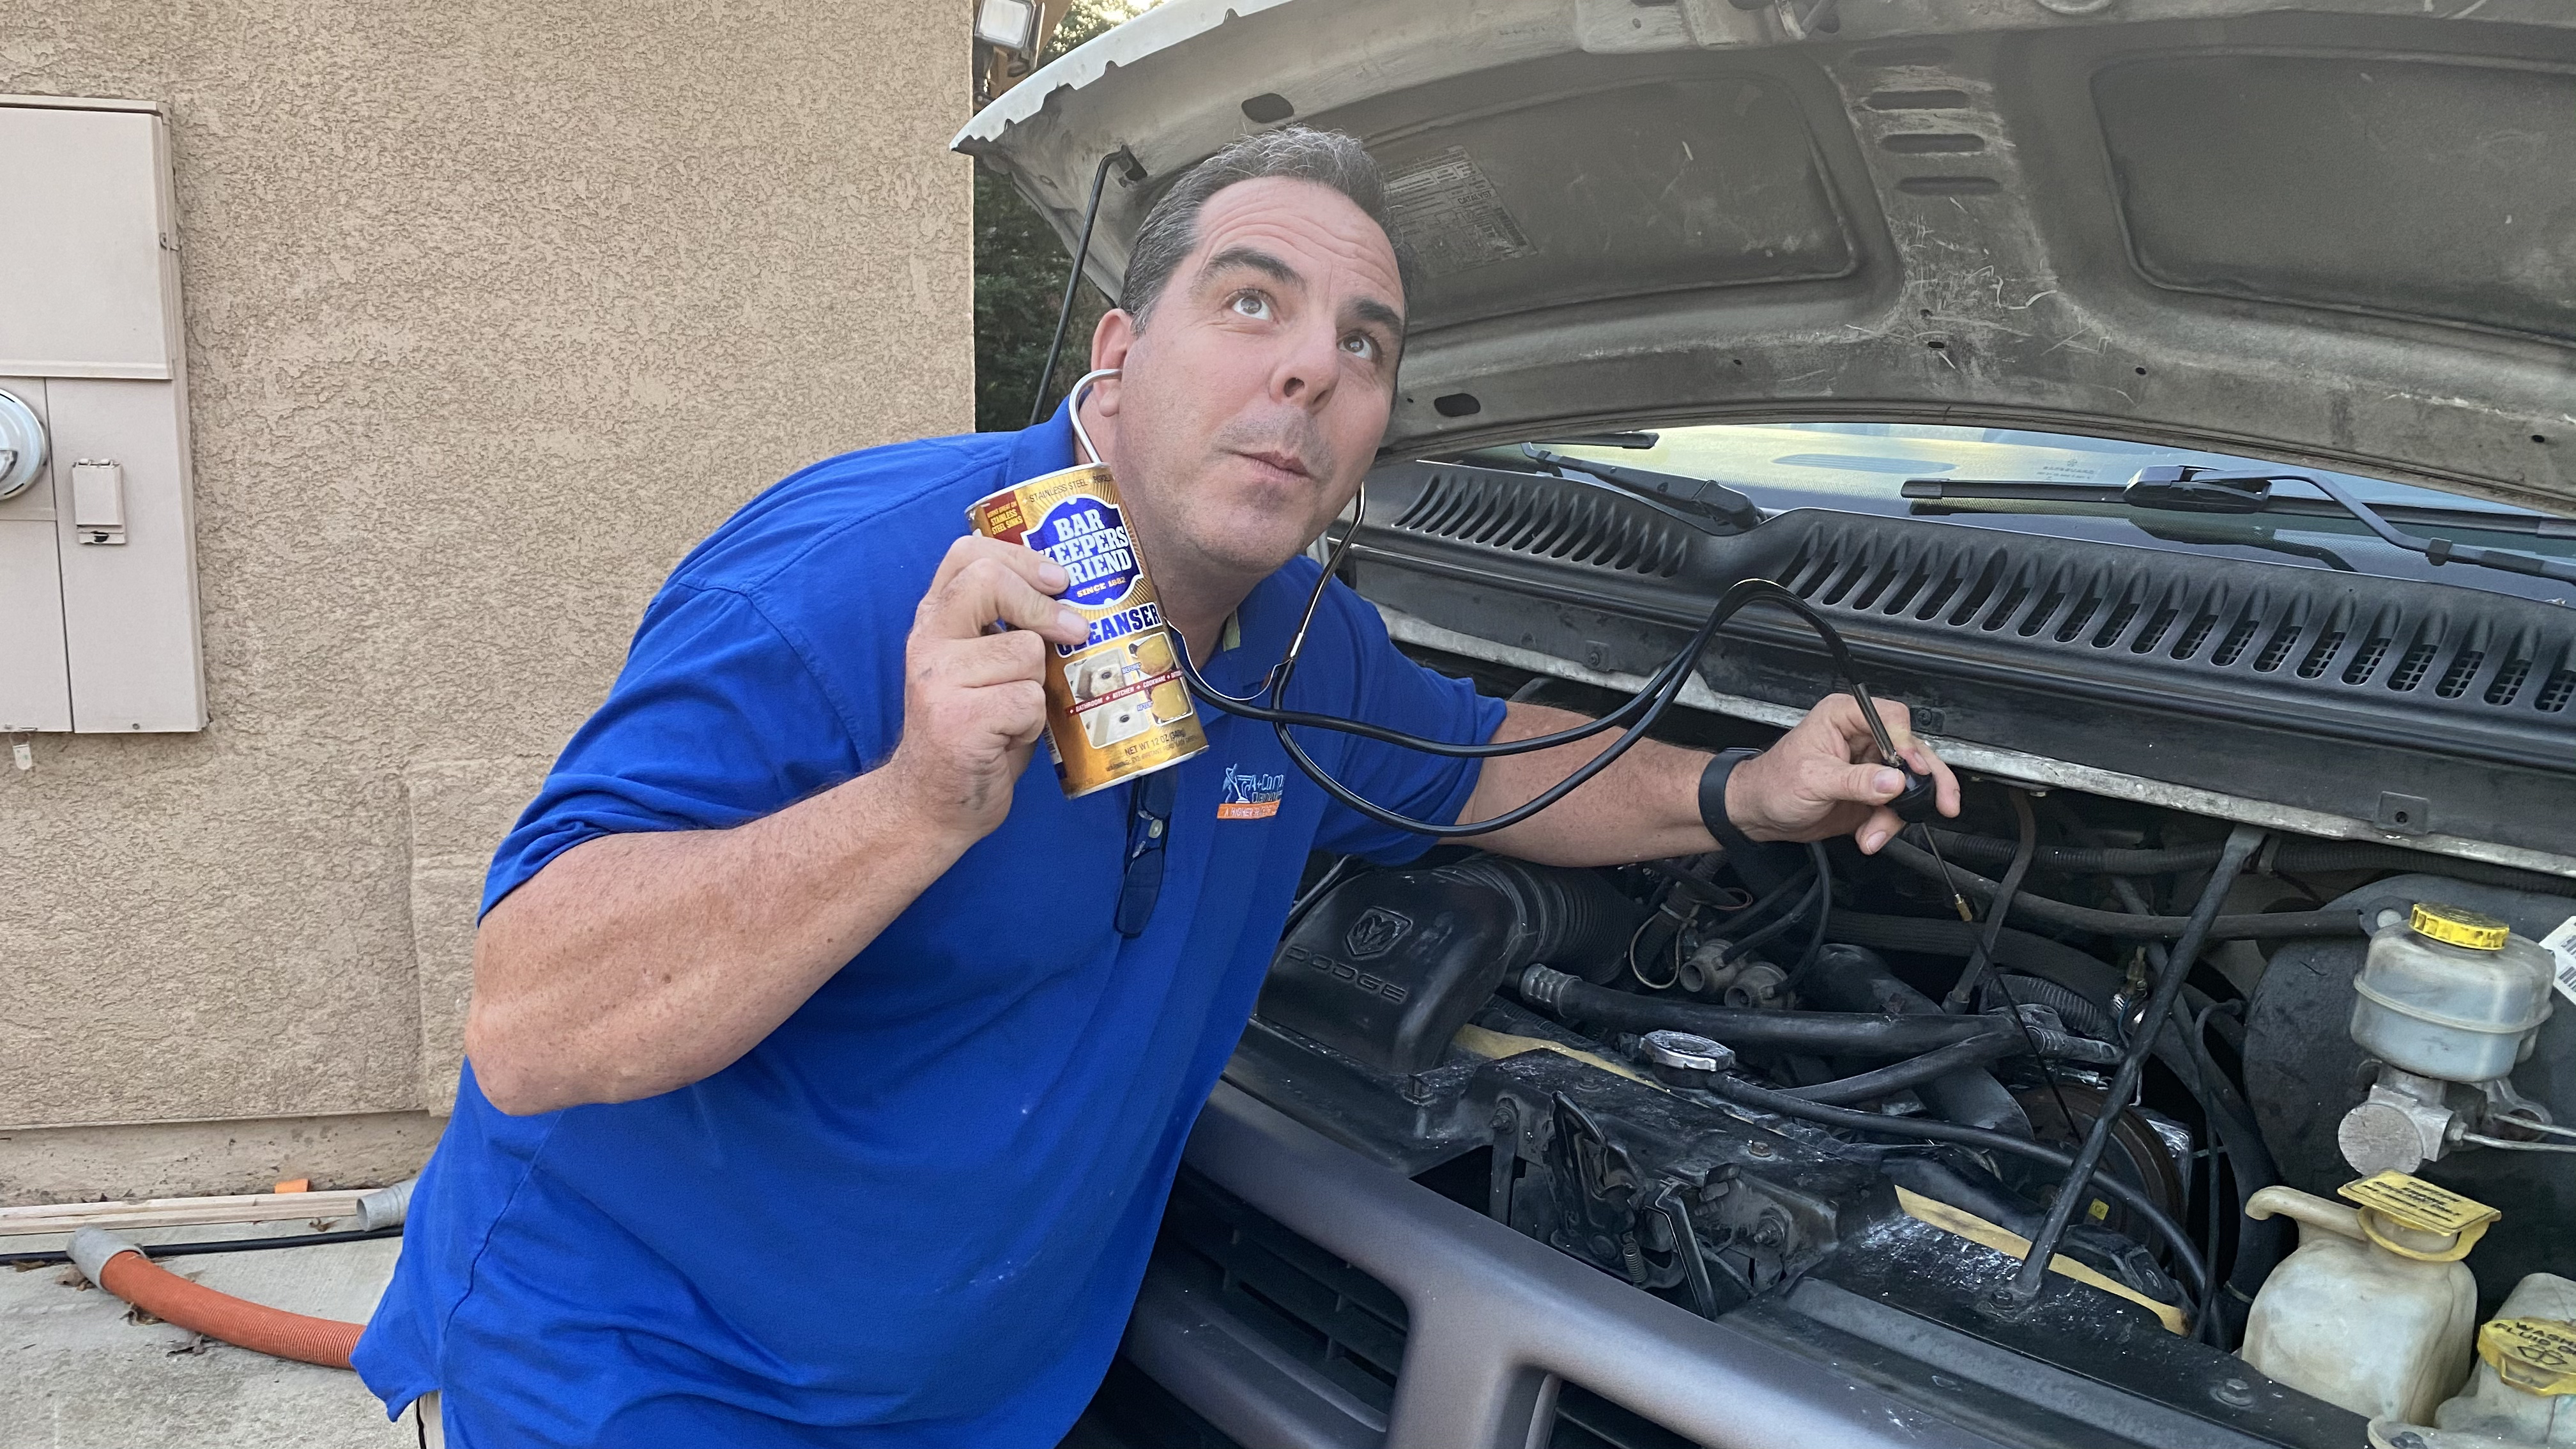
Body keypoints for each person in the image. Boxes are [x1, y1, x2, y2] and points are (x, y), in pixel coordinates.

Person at [353, 126, 1958, 1448]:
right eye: (1253, 304)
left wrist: (1749, 789)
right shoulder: (840, 581)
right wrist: (914, 803)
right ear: (1119, 358)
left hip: (977, 1407)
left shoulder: (1305, 640)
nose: (1310, 369)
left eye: (1364, 343)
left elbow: (1478, 762)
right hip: (637, 1389)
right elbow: (534, 1022)